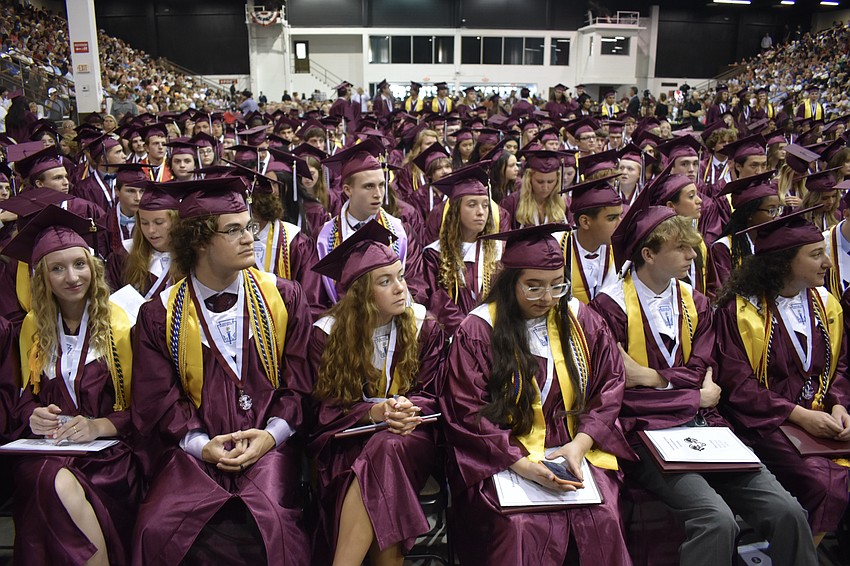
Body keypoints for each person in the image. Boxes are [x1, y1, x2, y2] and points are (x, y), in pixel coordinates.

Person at [592, 194, 817, 566]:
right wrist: (690, 397)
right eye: (681, 249)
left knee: (788, 512)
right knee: (716, 520)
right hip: (643, 434)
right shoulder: (608, 308)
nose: (693, 257)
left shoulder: (695, 302)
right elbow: (622, 394)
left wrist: (650, 378)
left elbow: (701, 371)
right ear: (648, 254)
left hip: (704, 428)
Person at [130, 176, 312, 565]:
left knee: (273, 521)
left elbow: (300, 386)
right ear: (198, 241)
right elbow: (159, 400)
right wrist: (202, 445)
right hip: (195, 454)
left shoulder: (285, 296)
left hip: (269, 446)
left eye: (248, 227)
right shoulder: (159, 314)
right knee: (157, 526)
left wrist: (269, 436)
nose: (249, 237)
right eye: (233, 230)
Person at [442, 223, 635, 565]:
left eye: (557, 286)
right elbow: (468, 412)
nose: (547, 298)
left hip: (574, 451)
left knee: (603, 517)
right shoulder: (478, 329)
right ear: (510, 282)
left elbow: (609, 386)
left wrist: (579, 445)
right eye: (533, 287)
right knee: (520, 527)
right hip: (502, 458)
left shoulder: (580, 320)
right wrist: (523, 465)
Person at [7, 205, 140, 566]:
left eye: (79, 264)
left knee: (48, 484)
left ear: (93, 268)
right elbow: (24, 397)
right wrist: (34, 416)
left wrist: (99, 425)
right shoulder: (33, 328)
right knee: (46, 476)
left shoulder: (125, 322)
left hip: (110, 457)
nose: (72, 277)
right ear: (42, 278)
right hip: (50, 449)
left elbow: (148, 405)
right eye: (57, 268)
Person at [308, 221, 446, 565]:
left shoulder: (423, 326)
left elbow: (433, 393)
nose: (401, 288)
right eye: (385, 282)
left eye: (400, 276)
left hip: (412, 435)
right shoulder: (327, 335)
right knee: (381, 457)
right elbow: (322, 411)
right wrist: (374, 413)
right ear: (360, 296)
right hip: (347, 441)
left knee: (388, 448)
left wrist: (405, 408)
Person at [714, 208, 849, 545]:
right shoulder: (742, 312)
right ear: (783, 261)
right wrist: (800, 415)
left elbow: (841, 367)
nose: (828, 264)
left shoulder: (828, 304)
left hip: (821, 418)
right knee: (825, 482)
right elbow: (738, 387)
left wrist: (839, 406)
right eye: (816, 255)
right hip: (766, 424)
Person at [316, 140, 425, 305]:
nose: (378, 194)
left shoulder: (402, 232)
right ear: (347, 190)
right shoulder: (324, 237)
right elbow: (316, 297)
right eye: (368, 186)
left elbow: (417, 286)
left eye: (381, 185)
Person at [422, 166, 501, 335]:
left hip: (493, 337)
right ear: (456, 210)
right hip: (453, 340)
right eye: (472, 205)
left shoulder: (499, 252)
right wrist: (468, 332)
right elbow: (438, 301)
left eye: (485, 205)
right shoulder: (434, 254)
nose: (481, 212)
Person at [555, 175, 623, 304]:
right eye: (611, 218)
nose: (620, 223)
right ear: (585, 222)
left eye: (620, 216)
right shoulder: (556, 247)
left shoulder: (622, 252)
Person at [106, 183, 179, 298]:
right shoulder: (123, 256)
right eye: (144, 223)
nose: (151, 230)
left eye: (159, 222)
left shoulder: (192, 258)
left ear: (175, 222)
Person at [711, 171, 781, 283]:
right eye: (771, 211)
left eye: (778, 209)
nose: (777, 216)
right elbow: (722, 289)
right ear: (750, 214)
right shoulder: (724, 247)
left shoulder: (775, 242)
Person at [500, 150, 568, 229]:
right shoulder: (512, 202)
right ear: (529, 179)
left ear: (558, 180)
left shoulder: (564, 203)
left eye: (550, 182)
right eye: (540, 182)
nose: (545, 187)